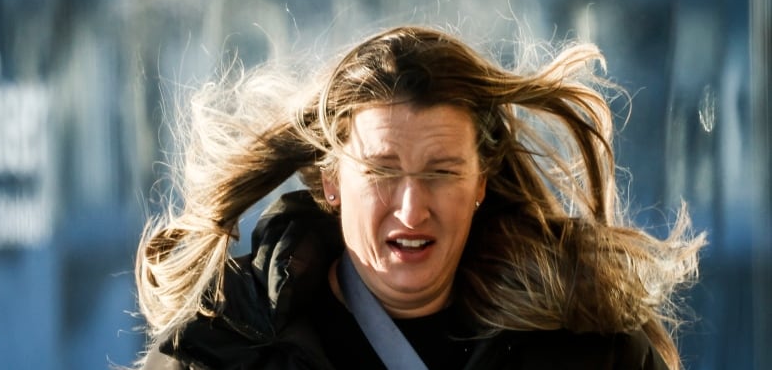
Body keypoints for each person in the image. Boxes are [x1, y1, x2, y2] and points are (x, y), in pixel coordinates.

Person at [135, 26, 705, 369]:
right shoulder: (220, 348)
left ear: (481, 182)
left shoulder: (590, 349)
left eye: (442, 172)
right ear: (332, 182)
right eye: (382, 171)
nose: (412, 209)